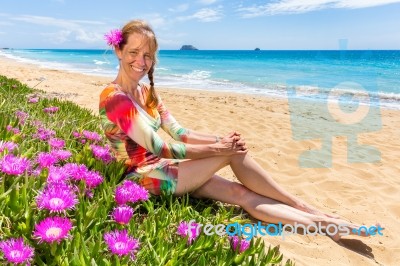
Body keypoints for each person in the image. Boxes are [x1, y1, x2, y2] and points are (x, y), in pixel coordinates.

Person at [99, 19, 377, 241]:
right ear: (119, 51)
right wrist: (220, 149)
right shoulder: (114, 98)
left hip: (165, 170)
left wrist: (220, 140)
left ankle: (323, 223)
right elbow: (159, 147)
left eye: (147, 55)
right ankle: (301, 205)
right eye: (133, 52)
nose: (141, 61)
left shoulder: (147, 92)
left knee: (240, 194)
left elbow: (180, 132)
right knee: (232, 155)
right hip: (141, 181)